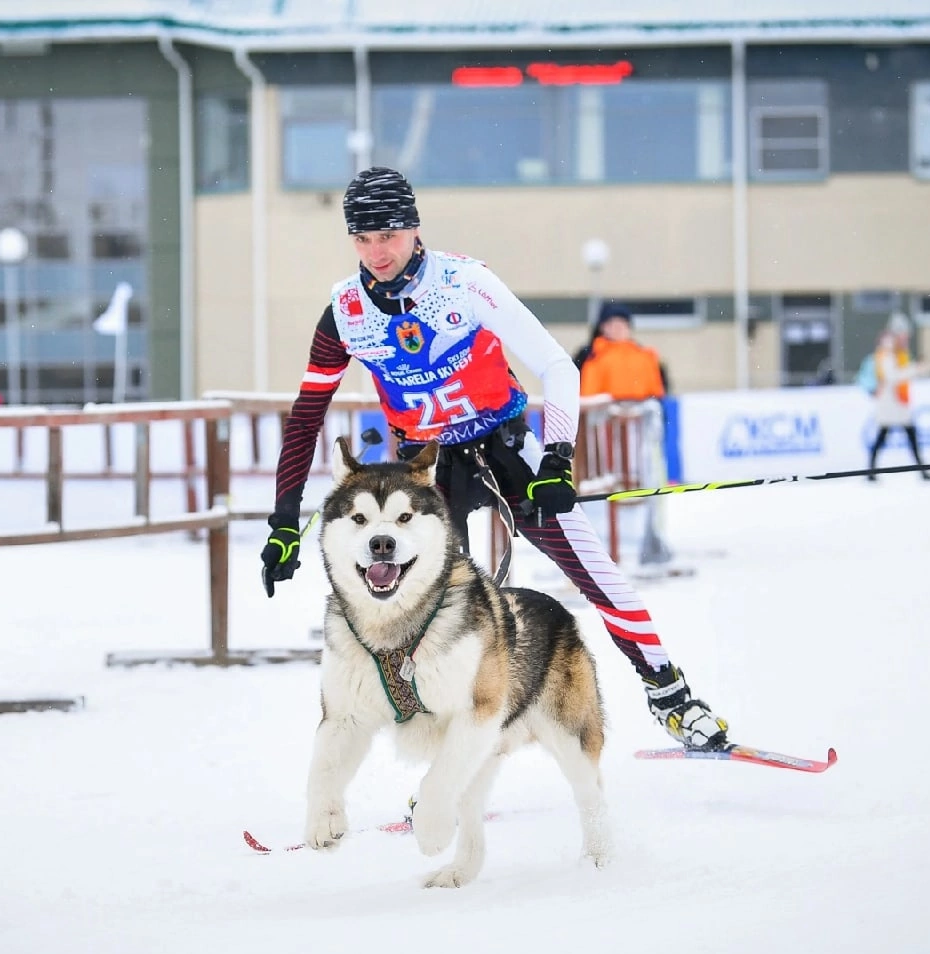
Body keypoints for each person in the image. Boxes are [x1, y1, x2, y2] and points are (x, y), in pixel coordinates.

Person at [258, 166, 728, 751]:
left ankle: (673, 699)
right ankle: (445, 752)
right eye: (363, 239)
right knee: (419, 618)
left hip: (506, 451)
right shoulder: (346, 313)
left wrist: (557, 460)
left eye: (389, 235)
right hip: (425, 471)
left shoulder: (464, 282)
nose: (377, 252)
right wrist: (283, 520)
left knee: (599, 576)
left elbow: (559, 366)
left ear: (414, 229)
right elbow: (307, 416)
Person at [577, 302, 674, 565]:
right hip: (605, 436)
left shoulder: (645, 356)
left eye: (622, 323)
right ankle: (602, 547)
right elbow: (588, 398)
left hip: (640, 434)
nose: (618, 329)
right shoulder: (594, 357)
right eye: (612, 323)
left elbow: (657, 392)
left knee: (646, 482)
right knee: (607, 486)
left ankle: (648, 541)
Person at [866, 312, 930, 482]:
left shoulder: (898, 352)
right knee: (885, 436)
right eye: (904, 334)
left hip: (899, 403)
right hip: (890, 403)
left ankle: (921, 471)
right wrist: (915, 369)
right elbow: (892, 376)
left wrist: (916, 369)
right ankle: (872, 471)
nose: (906, 338)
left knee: (907, 436)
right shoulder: (887, 353)